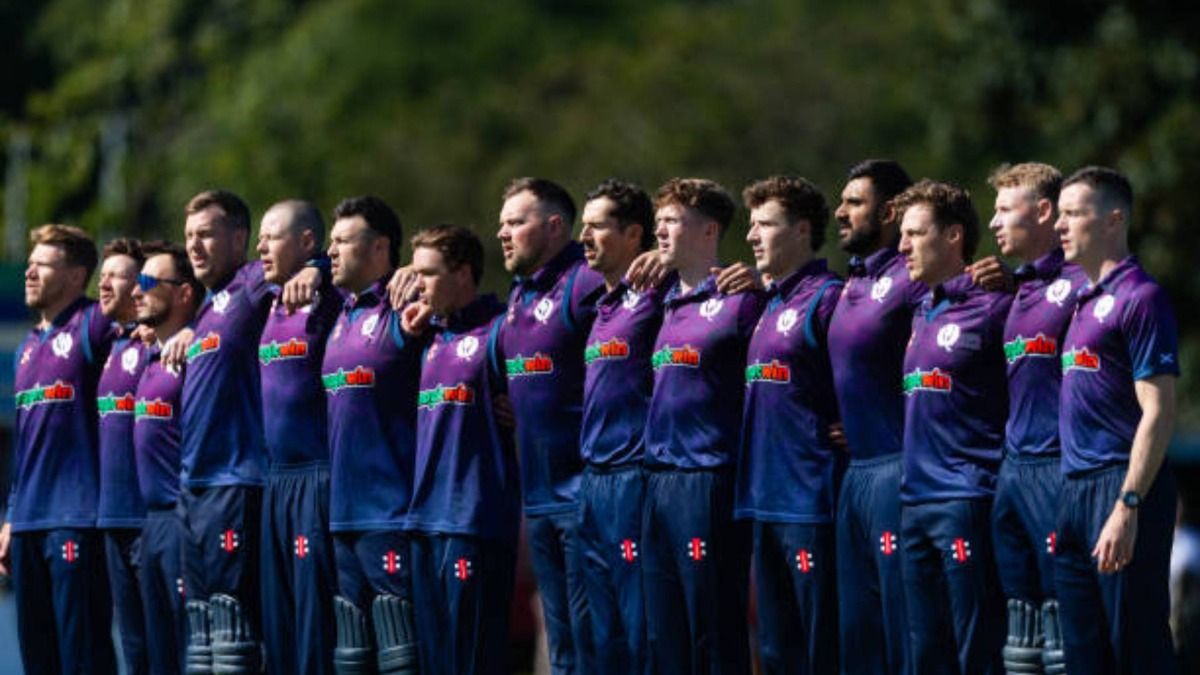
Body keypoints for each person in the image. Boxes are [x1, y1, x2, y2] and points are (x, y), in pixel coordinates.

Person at [177, 190, 318, 673]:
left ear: (239, 239)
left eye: (206, 235)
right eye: (189, 236)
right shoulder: (207, 304)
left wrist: (316, 267)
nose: (194, 246)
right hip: (193, 487)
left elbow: (304, 260)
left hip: (237, 484)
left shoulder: (254, 282)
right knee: (202, 639)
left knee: (237, 636)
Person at [1054, 166, 1180, 674]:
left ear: (1113, 220)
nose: (1059, 226)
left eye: (1071, 214)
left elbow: (1160, 409)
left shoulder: (1141, 298)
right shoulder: (1082, 300)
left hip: (1121, 489)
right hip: (1074, 491)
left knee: (1136, 650)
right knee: (1084, 659)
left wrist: (1128, 505)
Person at [641, 178, 765, 674]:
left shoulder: (741, 299)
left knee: (711, 626)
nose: (661, 232)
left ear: (710, 230)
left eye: (673, 220)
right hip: (657, 479)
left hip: (708, 479)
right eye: (658, 223)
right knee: (664, 630)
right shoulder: (663, 302)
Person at [895, 180, 1011, 674]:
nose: (902, 246)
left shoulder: (996, 303)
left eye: (915, 234)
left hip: (965, 498)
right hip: (913, 500)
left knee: (975, 650)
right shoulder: (922, 309)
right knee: (926, 652)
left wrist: (1017, 280)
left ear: (953, 237)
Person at [735, 176, 842, 674]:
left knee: (818, 645)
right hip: (764, 500)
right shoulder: (766, 303)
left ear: (801, 230)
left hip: (810, 502)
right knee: (776, 651)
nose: (753, 236)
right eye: (750, 225)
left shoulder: (828, 298)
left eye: (765, 225)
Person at [496, 177, 603, 674]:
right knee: (560, 646)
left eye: (517, 222)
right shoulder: (518, 295)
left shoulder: (585, 282)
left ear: (556, 226)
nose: (504, 232)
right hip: (538, 499)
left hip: (585, 495)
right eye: (502, 223)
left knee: (593, 641)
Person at [1, 224, 119, 674]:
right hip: (28, 522)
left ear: (75, 276)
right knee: (39, 661)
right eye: (28, 264)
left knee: (83, 657)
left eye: (41, 265)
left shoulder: (93, 325)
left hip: (76, 521)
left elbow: (145, 317)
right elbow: (28, 443)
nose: (29, 272)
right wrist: (11, 516)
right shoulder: (27, 348)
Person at [404, 224, 518, 674]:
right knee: (432, 659)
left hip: (474, 521)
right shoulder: (426, 336)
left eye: (428, 274)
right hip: (424, 520)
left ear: (464, 273)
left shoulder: (500, 331)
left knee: (473, 656)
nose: (419, 285)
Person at [984, 162, 1082, 674]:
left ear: (1044, 211)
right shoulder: (1014, 290)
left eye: (1005, 209)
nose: (994, 222)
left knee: (1064, 622)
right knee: (1020, 627)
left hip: (1058, 467)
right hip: (1013, 469)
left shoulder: (1082, 282)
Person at [323, 196, 424, 674]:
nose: (331, 251)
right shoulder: (340, 314)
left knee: (400, 649)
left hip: (392, 511)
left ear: (381, 247)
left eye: (343, 241)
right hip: (342, 515)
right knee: (352, 653)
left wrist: (416, 276)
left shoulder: (404, 304)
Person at [826, 159, 918, 675]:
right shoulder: (849, 283)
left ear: (888, 212)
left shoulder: (912, 277)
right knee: (857, 637)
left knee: (901, 629)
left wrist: (988, 278)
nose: (840, 213)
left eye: (853, 203)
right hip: (854, 473)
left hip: (898, 468)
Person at [575, 179, 662, 673]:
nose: (584, 237)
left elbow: (709, 281)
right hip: (593, 479)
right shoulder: (601, 305)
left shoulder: (655, 292)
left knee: (638, 626)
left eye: (597, 227)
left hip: (634, 475)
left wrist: (668, 261)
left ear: (633, 235)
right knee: (601, 632)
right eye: (582, 227)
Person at [256, 200, 341, 674]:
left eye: (272, 236)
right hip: (275, 482)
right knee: (279, 628)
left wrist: (320, 268)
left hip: (316, 477)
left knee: (316, 626)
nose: (260, 246)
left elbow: (366, 268)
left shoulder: (328, 298)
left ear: (307, 241)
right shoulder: (265, 299)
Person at [132, 240, 203, 675]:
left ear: (183, 293)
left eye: (147, 281)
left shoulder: (196, 355)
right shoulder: (151, 355)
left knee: (188, 653)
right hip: (150, 525)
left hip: (184, 519)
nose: (136, 291)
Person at [95, 238, 151, 675]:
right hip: (113, 521)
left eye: (115, 274)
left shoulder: (162, 342)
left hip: (154, 521)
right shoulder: (110, 347)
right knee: (133, 651)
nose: (103, 282)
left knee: (166, 644)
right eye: (103, 273)